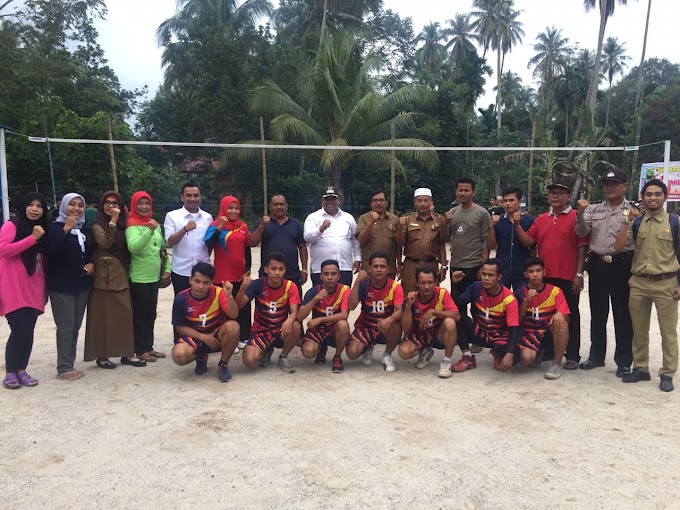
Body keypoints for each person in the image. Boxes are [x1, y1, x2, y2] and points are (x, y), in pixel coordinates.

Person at [513, 179, 588, 370]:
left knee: (570, 316)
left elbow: (582, 247)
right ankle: (547, 352)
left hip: (567, 275)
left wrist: (579, 273)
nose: (555, 196)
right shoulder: (541, 219)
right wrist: (517, 225)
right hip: (544, 277)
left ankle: (572, 355)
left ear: (568, 196)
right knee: (544, 317)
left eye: (560, 193)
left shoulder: (575, 217)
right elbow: (528, 241)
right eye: (552, 193)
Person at [615, 179, 679, 392]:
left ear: (665, 196)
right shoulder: (636, 222)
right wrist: (627, 220)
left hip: (666, 282)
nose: (653, 198)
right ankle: (641, 368)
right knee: (639, 329)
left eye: (657, 194)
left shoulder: (674, 221)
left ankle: (667, 372)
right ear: (642, 197)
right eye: (648, 194)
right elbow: (619, 246)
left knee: (668, 331)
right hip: (640, 283)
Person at [575, 168, 634, 377]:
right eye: (606, 184)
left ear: (625, 186)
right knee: (598, 313)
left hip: (623, 265)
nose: (609, 187)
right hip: (598, 265)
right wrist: (580, 215)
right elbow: (582, 232)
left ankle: (624, 360)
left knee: (623, 314)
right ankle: (596, 356)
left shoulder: (634, 211)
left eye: (614, 183)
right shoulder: (593, 209)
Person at [84, 191, 145, 369]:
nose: (111, 206)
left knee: (125, 315)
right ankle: (101, 355)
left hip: (122, 274)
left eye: (115, 203)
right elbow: (105, 243)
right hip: (104, 278)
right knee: (101, 318)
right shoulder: (98, 224)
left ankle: (126, 353)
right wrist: (111, 222)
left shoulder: (124, 224)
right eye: (107, 203)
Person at [1, 192, 48, 389]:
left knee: (28, 331)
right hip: (13, 287)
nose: (35, 209)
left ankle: (22, 370)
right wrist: (32, 238)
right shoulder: (12, 225)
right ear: (24, 206)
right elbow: (4, 250)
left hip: (34, 287)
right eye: (31, 205)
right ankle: (11, 372)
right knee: (19, 329)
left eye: (39, 206)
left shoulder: (43, 229)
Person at [45, 192, 94, 381]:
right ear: (63, 206)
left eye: (80, 205)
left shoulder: (82, 229)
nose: (76, 208)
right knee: (65, 327)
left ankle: (70, 364)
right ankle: (64, 367)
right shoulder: (57, 227)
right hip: (61, 286)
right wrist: (66, 229)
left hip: (80, 284)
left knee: (75, 326)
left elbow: (86, 253)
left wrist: (91, 264)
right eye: (72, 204)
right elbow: (51, 251)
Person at [171, 262, 241, 383]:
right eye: (197, 281)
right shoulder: (181, 298)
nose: (201, 286)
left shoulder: (219, 293)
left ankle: (223, 364)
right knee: (178, 356)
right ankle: (201, 356)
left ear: (211, 283)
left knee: (233, 327)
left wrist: (229, 297)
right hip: (195, 336)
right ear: (190, 280)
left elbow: (234, 315)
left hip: (216, 335)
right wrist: (204, 337)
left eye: (206, 282)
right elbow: (180, 328)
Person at [235, 252, 302, 373]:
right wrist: (242, 289)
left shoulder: (290, 286)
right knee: (249, 361)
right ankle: (265, 348)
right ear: (266, 269)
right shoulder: (257, 284)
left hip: (280, 329)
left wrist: (290, 319)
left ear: (285, 270)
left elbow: (294, 312)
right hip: (260, 331)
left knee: (296, 325)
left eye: (281, 269)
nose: (277, 272)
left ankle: (283, 356)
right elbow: (239, 305)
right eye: (274, 268)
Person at [450, 259, 520, 374]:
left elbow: (514, 328)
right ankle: (468, 357)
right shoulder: (476, 287)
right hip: (480, 332)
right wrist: (455, 284)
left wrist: (509, 354)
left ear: (499, 277)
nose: (486, 278)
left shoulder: (509, 299)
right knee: (455, 317)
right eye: (484, 274)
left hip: (499, 336)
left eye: (491, 275)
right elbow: (457, 305)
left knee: (517, 358)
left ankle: (497, 351)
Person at [125, 191, 171, 363]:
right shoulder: (131, 224)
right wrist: (148, 231)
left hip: (154, 276)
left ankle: (149, 347)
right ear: (134, 205)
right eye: (140, 203)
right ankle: (139, 349)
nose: (144, 207)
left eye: (147, 204)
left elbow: (162, 248)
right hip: (139, 276)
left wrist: (167, 267)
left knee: (151, 313)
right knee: (140, 314)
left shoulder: (154, 223)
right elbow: (134, 248)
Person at [205, 195, 252, 350]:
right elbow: (208, 244)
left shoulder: (243, 226)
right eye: (230, 208)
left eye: (236, 208)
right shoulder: (215, 225)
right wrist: (220, 227)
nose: (233, 211)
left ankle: (243, 337)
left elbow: (247, 250)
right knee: (225, 308)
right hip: (223, 275)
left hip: (240, 275)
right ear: (224, 208)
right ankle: (228, 339)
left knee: (243, 307)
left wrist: (247, 271)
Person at [515, 257, 571, 379]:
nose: (535, 275)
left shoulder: (555, 291)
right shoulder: (520, 291)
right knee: (525, 360)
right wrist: (526, 301)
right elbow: (517, 319)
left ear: (544, 272)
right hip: (529, 332)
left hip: (548, 330)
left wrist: (560, 314)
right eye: (531, 272)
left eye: (538, 271)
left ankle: (556, 364)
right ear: (525, 274)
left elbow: (567, 318)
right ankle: (538, 354)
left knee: (561, 322)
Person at [347, 252, 404, 372]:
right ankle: (367, 346)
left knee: (396, 324)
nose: (379, 270)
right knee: (352, 354)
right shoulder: (363, 285)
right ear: (369, 268)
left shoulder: (395, 286)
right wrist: (357, 282)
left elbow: (399, 311)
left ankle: (387, 355)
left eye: (382, 266)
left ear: (388, 269)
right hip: (365, 326)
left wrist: (389, 319)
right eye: (375, 266)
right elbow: (351, 306)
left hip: (385, 326)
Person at [398, 266, 459, 378]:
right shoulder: (411, 298)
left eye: (430, 282)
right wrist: (408, 306)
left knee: (450, 322)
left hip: (437, 333)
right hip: (419, 334)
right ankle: (425, 350)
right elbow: (406, 328)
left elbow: (456, 315)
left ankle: (446, 361)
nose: (426, 286)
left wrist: (434, 312)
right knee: (403, 352)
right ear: (417, 283)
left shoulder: (442, 293)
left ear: (435, 282)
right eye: (422, 283)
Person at [249, 193, 308, 298]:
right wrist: (262, 225)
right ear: (270, 207)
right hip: (268, 275)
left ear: (286, 206)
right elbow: (253, 243)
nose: (279, 207)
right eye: (276, 204)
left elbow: (302, 247)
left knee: (295, 308)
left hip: (292, 274)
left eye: (282, 204)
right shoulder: (262, 223)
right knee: (267, 309)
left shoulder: (296, 224)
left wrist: (304, 269)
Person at [298, 259, 351, 373]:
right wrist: (316, 299)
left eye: (333, 274)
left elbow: (344, 315)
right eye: (326, 274)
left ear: (339, 276)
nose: (330, 277)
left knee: (343, 325)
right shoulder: (313, 291)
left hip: (334, 328)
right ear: (321, 276)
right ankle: (321, 348)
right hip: (318, 329)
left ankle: (337, 357)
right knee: (308, 352)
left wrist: (320, 319)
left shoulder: (345, 290)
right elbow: (300, 316)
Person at [304, 187, 361, 287]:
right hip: (320, 270)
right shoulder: (313, 217)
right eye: (327, 199)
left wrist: (357, 258)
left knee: (344, 299)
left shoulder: (348, 218)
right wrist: (320, 229)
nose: (330, 202)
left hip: (344, 268)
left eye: (333, 199)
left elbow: (355, 240)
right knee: (321, 299)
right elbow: (307, 238)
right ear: (322, 201)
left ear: (339, 200)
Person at [164, 182, 213, 295]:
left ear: (200, 197)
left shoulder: (208, 217)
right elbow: (170, 242)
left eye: (196, 195)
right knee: (182, 306)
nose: (192, 199)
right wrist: (184, 229)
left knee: (203, 307)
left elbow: (209, 244)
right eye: (189, 195)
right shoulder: (172, 216)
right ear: (182, 197)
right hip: (181, 271)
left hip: (203, 272)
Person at [396, 188, 447, 294]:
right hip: (411, 265)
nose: (423, 204)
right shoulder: (407, 220)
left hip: (431, 264)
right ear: (414, 202)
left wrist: (443, 266)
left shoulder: (439, 220)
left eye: (426, 200)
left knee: (431, 296)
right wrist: (400, 228)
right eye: (419, 201)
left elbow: (442, 243)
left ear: (431, 202)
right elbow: (399, 244)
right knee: (408, 296)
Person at [445, 177, 490, 295]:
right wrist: (445, 223)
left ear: (473, 192)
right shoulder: (452, 213)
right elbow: (444, 238)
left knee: (476, 304)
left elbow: (486, 241)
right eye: (460, 190)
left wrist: (483, 267)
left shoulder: (482, 213)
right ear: (456, 192)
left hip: (474, 265)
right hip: (456, 264)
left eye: (467, 190)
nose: (463, 193)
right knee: (457, 302)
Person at [488, 186, 535, 291]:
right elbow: (491, 245)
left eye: (511, 200)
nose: (507, 204)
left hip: (522, 270)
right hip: (502, 270)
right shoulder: (498, 221)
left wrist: (532, 269)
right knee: (500, 302)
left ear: (520, 201)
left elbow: (531, 246)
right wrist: (492, 227)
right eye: (505, 201)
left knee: (522, 302)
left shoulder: (529, 221)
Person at [355, 190, 400, 280]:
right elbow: (361, 240)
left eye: (381, 200)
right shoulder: (364, 218)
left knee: (389, 293)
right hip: (369, 270)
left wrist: (399, 265)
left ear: (386, 202)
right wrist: (371, 223)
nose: (378, 203)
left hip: (389, 269)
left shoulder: (394, 219)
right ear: (371, 203)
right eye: (375, 200)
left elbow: (398, 244)